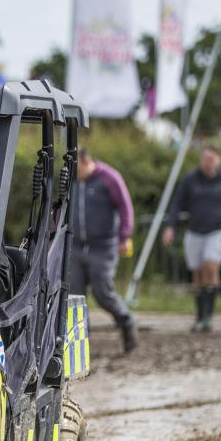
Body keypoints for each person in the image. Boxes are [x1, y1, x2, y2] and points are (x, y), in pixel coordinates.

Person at [162, 145, 221, 332]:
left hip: (217, 230)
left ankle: (208, 316)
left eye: (212, 159)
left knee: (210, 266)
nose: (208, 163)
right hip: (195, 230)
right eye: (205, 159)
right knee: (197, 273)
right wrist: (170, 227)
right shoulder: (191, 179)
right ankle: (199, 316)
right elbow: (177, 203)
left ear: (218, 160)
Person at [69, 148, 137, 353]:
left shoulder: (109, 178)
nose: (74, 171)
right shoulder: (72, 181)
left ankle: (126, 321)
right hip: (76, 245)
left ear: (86, 162)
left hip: (104, 246)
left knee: (103, 293)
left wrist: (124, 236)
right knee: (73, 296)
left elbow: (125, 207)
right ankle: (80, 344)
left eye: (77, 166)